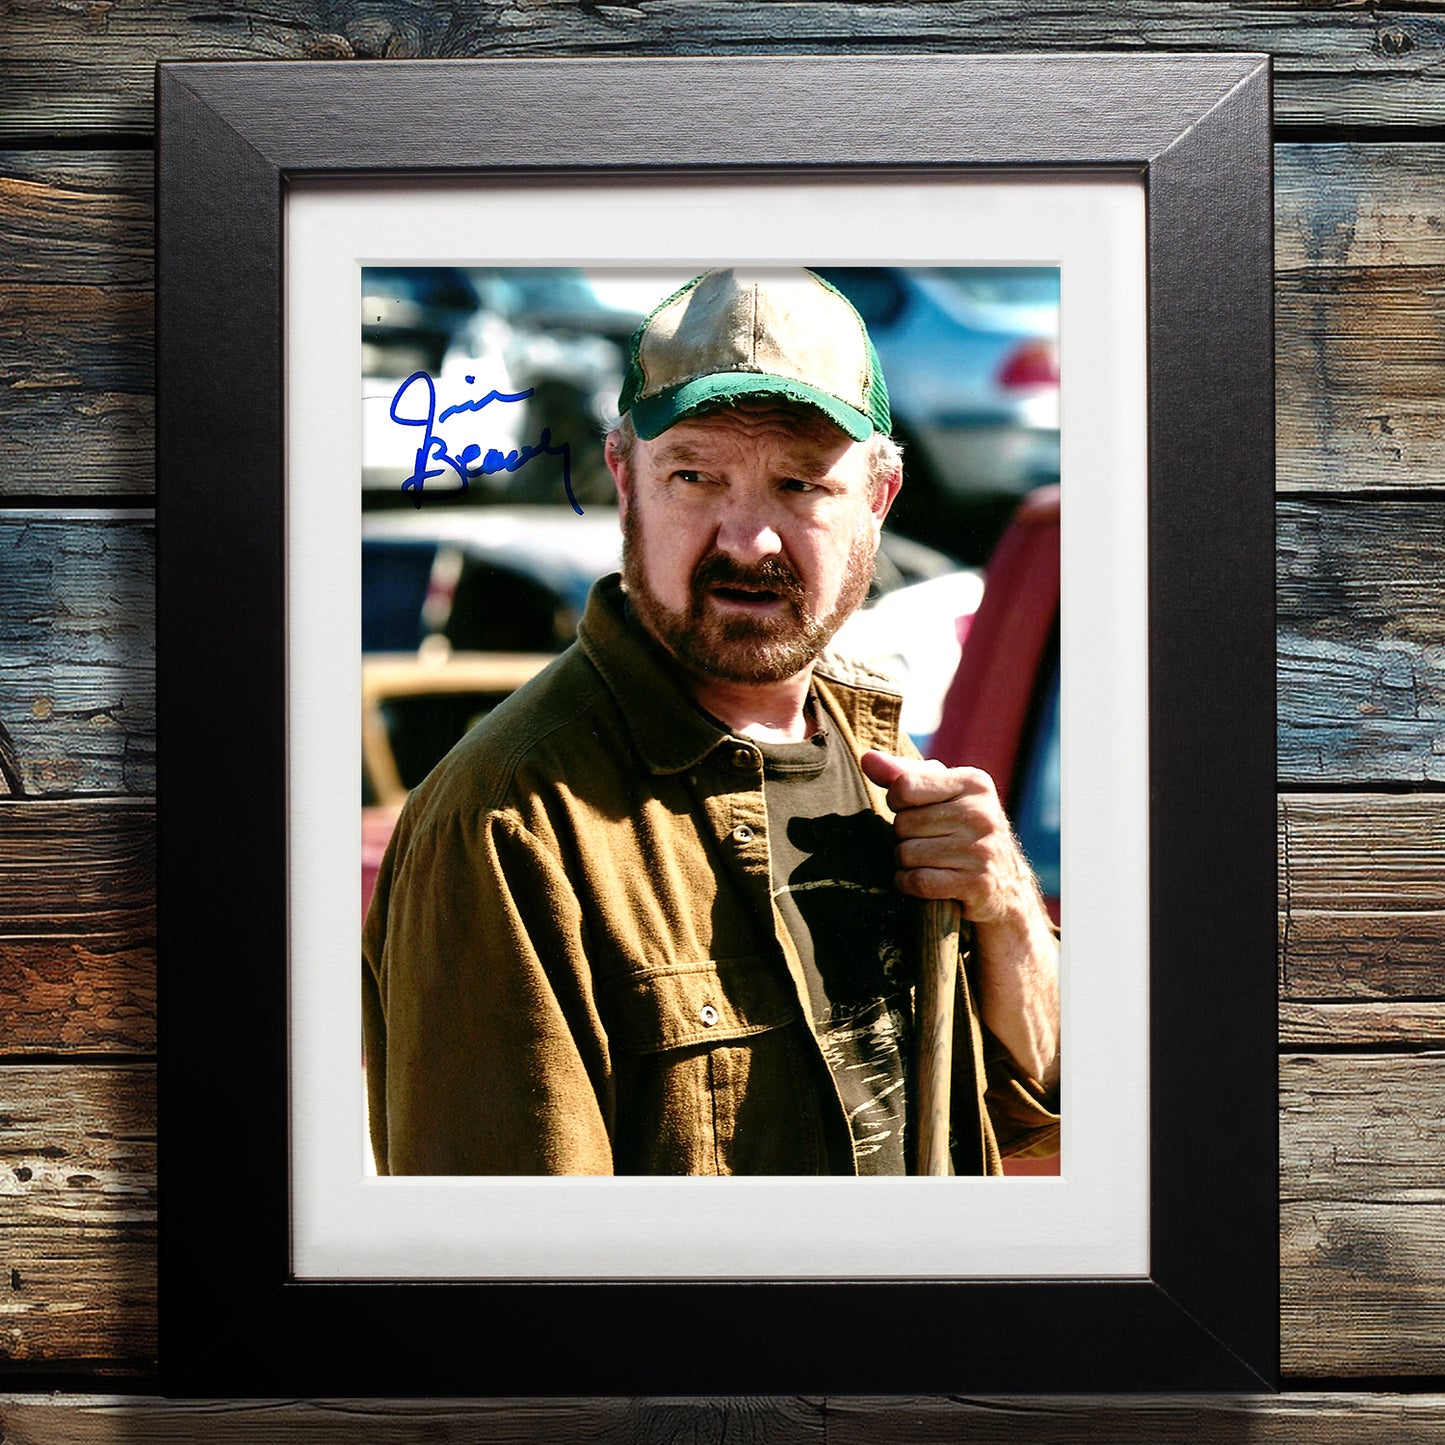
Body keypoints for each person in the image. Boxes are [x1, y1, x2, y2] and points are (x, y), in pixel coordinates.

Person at [362, 267, 1060, 1176]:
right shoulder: (506, 826)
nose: (747, 538)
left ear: (879, 502)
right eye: (694, 475)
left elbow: (1036, 1124)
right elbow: (517, 1286)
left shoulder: (881, 756)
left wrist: (1004, 908)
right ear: (624, 480)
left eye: (799, 485)